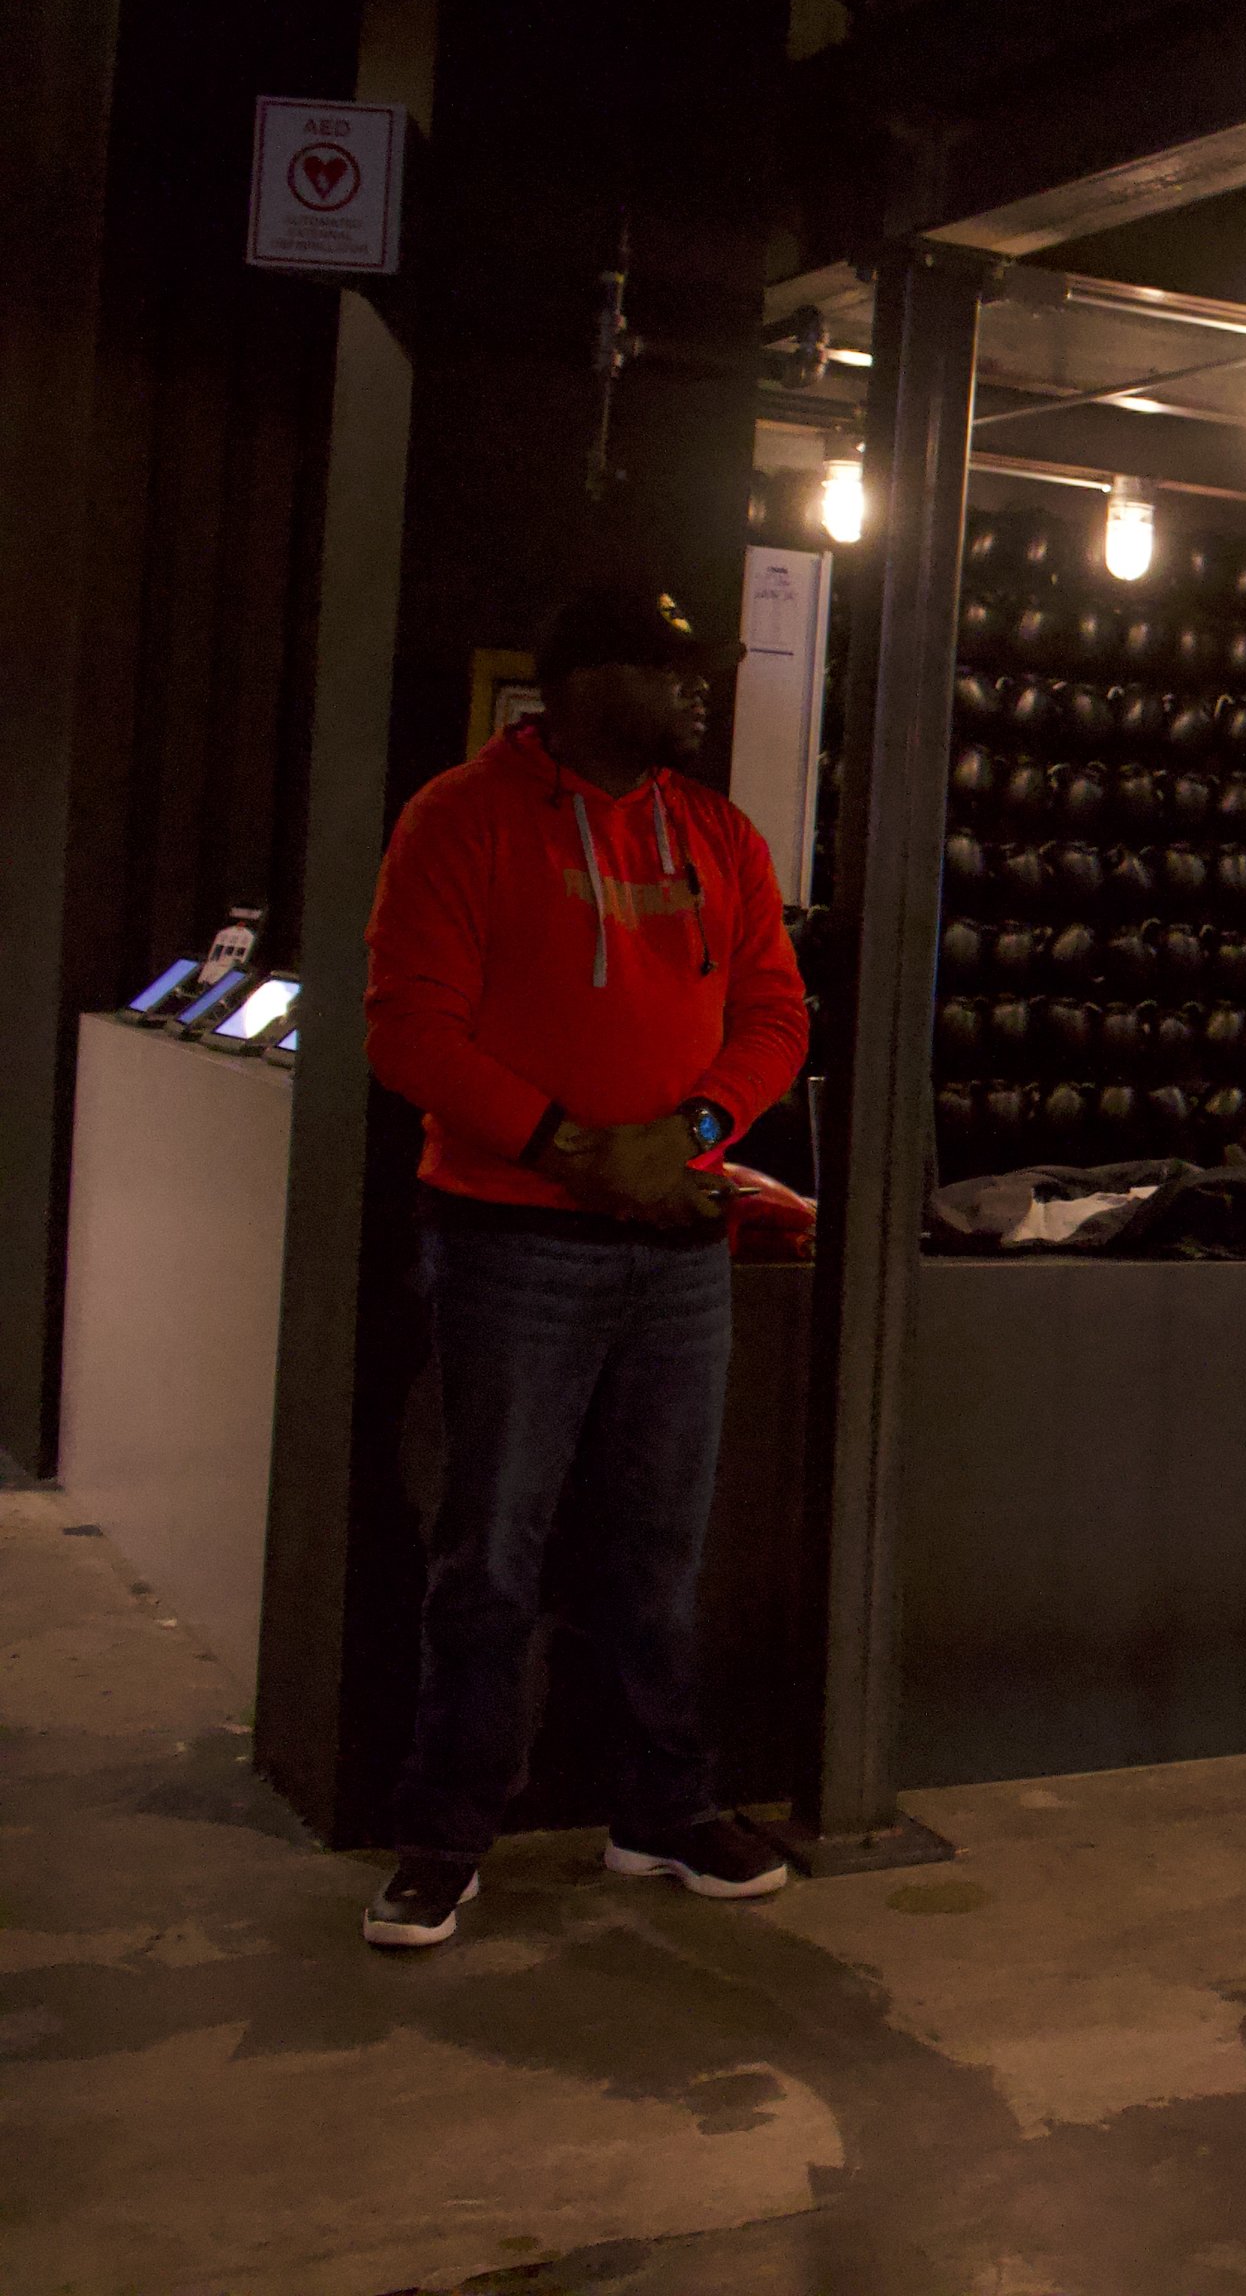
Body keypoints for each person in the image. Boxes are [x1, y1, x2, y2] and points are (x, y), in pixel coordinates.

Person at [356, 584, 810, 1950]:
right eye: (672, 672)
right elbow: (406, 1030)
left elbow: (775, 1012)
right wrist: (569, 1147)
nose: (699, 695)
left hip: (677, 1251)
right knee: (490, 1550)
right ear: (584, 679)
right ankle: (444, 1834)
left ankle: (659, 1810)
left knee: (661, 1551)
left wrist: (693, 1134)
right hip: (514, 1243)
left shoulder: (717, 834)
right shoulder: (461, 818)